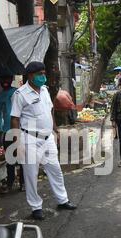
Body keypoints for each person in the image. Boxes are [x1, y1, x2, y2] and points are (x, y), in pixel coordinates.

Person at [10, 61, 77, 220]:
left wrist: (55, 129)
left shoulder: (45, 91)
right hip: (30, 139)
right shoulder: (20, 94)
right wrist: (17, 142)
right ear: (30, 75)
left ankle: (62, 200)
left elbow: (50, 111)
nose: (43, 76)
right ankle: (36, 207)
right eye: (40, 74)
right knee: (31, 175)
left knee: (55, 170)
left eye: (44, 73)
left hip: (48, 139)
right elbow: (14, 119)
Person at [0, 75, 24, 193]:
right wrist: (0, 128)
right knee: (10, 159)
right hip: (8, 131)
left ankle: (23, 182)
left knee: (22, 158)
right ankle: (10, 181)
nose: (5, 81)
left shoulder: (18, 92)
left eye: (7, 79)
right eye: (3, 79)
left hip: (20, 130)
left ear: (11, 79)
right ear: (0, 81)